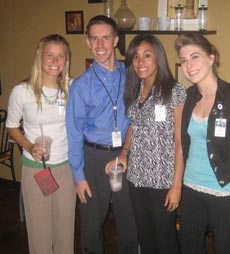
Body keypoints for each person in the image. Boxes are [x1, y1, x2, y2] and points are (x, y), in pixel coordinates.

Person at [174, 32, 230, 254]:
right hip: (191, 188)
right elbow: (182, 144)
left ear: (211, 57)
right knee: (189, 247)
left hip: (224, 191)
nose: (189, 65)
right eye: (184, 60)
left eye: (195, 57)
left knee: (225, 249)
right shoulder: (188, 97)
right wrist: (178, 185)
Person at [106, 33, 187, 254]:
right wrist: (124, 153)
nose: (140, 62)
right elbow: (134, 125)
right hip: (136, 178)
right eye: (136, 57)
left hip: (163, 180)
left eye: (147, 55)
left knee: (165, 239)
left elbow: (180, 142)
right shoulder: (135, 89)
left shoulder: (175, 91)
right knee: (145, 236)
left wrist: (176, 186)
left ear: (158, 57)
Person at [65, 15, 138, 254]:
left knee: (130, 222)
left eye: (105, 38)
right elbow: (74, 133)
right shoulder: (81, 85)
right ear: (87, 42)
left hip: (126, 154)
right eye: (94, 39)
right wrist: (78, 175)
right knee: (91, 224)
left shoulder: (131, 75)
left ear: (116, 40)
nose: (100, 45)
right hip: (94, 158)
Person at [6, 34, 76, 253]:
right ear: (40, 57)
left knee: (65, 232)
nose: (55, 61)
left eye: (61, 56)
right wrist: (29, 147)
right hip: (37, 170)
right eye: (49, 55)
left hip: (66, 167)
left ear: (67, 59)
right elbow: (11, 127)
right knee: (39, 235)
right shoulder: (22, 91)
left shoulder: (72, 88)